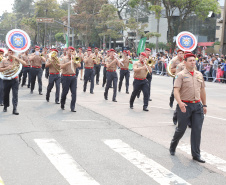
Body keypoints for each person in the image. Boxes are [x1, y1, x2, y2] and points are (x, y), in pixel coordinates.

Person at [169, 53, 207, 163]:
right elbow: (176, 90)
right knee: (181, 129)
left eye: (194, 60)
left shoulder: (199, 74)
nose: (193, 62)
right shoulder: (180, 75)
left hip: (197, 105)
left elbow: (202, 90)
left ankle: (196, 154)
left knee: (197, 130)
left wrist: (204, 104)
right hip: (185, 105)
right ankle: (173, 144)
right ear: (185, 62)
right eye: (190, 60)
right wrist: (180, 103)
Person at [0, 49, 26, 115]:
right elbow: (0, 69)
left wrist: (16, 57)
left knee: (15, 94)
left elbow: (25, 64)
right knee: (6, 94)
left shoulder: (16, 60)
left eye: (12, 52)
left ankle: (15, 108)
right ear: (8, 53)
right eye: (10, 52)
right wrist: (7, 68)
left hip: (15, 79)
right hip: (6, 79)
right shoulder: (4, 60)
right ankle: (5, 106)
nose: (11, 53)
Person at [60, 46, 81, 112]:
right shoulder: (63, 58)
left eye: (72, 51)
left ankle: (72, 107)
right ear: (67, 51)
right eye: (70, 51)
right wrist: (69, 62)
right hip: (65, 77)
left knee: (74, 93)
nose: (71, 52)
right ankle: (62, 103)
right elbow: (61, 66)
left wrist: (75, 59)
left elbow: (79, 66)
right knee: (65, 92)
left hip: (73, 77)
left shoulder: (75, 58)